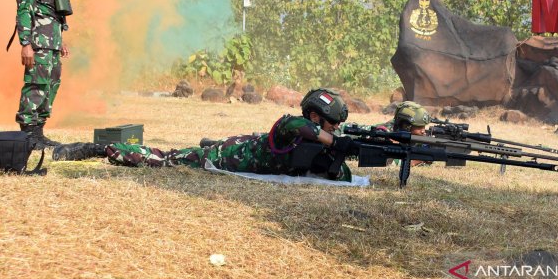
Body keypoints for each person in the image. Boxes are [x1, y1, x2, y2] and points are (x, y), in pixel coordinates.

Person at [53, 88, 358, 181]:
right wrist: (333, 142)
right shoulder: (292, 129)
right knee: (164, 159)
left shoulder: (317, 138)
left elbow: (339, 174)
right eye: (331, 125)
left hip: (244, 146)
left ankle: (207, 144)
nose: (336, 131)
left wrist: (344, 150)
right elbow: (290, 123)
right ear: (316, 118)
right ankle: (95, 149)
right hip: (225, 156)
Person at [11, 0, 71, 149]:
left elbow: (52, 8)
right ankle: (27, 134)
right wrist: (25, 44)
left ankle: (38, 133)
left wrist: (60, 39)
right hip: (37, 40)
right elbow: (24, 8)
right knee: (36, 84)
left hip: (51, 39)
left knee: (51, 84)